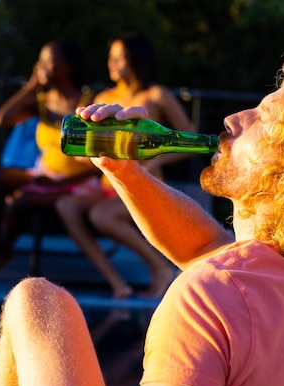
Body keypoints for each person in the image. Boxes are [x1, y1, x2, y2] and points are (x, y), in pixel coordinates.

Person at [0, 51, 284, 386]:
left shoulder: (211, 299)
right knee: (42, 303)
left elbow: (218, 277)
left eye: (261, 118)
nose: (232, 118)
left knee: (32, 302)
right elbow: (208, 249)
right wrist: (124, 171)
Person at [55, 33, 193, 299]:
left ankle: (161, 269)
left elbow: (187, 138)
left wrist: (156, 161)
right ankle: (117, 282)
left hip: (145, 185)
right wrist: (87, 155)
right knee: (66, 205)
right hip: (109, 186)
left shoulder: (156, 96)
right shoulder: (104, 96)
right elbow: (93, 144)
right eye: (111, 57)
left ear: (135, 60)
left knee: (101, 216)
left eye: (119, 58)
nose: (112, 63)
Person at [0, 39, 96, 280]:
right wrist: (32, 85)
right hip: (43, 175)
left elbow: (97, 164)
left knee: (22, 201)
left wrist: (59, 184)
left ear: (68, 66)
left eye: (50, 60)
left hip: (77, 182)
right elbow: (1, 119)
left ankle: (1, 254)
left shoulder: (87, 103)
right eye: (41, 60)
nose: (43, 65)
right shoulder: (41, 103)